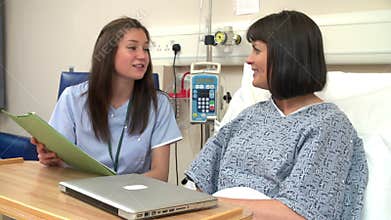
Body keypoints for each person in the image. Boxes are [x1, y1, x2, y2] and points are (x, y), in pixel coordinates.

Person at [186, 10, 368, 219]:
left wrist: (210, 206)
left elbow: (300, 214)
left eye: (256, 50)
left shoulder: (329, 125)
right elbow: (200, 182)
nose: (248, 60)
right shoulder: (249, 116)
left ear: (285, 55)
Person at [32, 17, 182, 181]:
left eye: (145, 49)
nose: (142, 56)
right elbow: (61, 163)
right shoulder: (72, 99)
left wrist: (114, 190)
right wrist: (50, 158)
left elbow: (160, 175)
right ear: (108, 53)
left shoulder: (158, 105)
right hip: (80, 195)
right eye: (132, 48)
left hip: (134, 197)